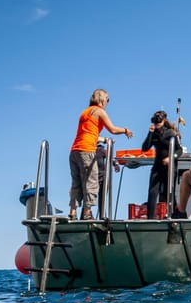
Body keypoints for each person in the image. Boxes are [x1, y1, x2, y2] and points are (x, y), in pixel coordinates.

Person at [68, 88, 133, 220]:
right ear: (102, 100)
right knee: (91, 182)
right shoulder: (99, 111)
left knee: (77, 183)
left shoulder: (85, 112)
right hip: (87, 150)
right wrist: (126, 130)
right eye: (107, 99)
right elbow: (113, 129)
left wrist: (103, 139)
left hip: (74, 150)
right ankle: (87, 213)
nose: (108, 102)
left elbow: (90, 134)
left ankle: (72, 212)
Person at [141, 110, 182, 219]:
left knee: (169, 191)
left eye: (159, 122)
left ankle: (173, 215)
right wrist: (150, 133)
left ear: (163, 121)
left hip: (170, 167)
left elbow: (179, 150)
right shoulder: (154, 133)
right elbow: (145, 148)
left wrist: (171, 158)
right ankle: (151, 217)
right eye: (155, 122)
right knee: (152, 191)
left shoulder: (170, 133)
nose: (157, 124)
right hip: (158, 166)